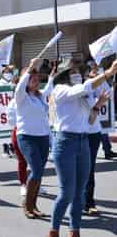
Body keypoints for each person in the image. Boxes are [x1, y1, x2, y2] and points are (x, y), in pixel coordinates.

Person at [48, 58, 117, 237]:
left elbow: (90, 121)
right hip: (65, 143)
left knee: (80, 191)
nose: (77, 74)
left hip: (83, 141)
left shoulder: (84, 94)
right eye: (72, 72)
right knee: (67, 192)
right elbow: (84, 87)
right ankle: (54, 230)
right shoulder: (60, 90)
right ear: (64, 75)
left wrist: (97, 106)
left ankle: (74, 230)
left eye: (78, 71)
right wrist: (107, 73)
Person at [15, 58, 55, 219]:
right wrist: (31, 67)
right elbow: (19, 87)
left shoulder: (39, 97)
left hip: (42, 137)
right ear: (25, 81)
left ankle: (34, 205)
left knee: (39, 173)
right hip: (26, 137)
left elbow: (49, 88)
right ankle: (27, 204)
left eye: (37, 79)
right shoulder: (21, 96)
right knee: (36, 169)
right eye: (32, 79)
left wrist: (52, 75)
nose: (36, 82)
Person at [85, 65, 110, 215]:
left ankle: (89, 202)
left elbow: (109, 93)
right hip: (79, 134)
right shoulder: (83, 91)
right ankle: (77, 200)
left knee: (90, 170)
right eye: (91, 76)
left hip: (94, 134)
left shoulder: (99, 87)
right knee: (78, 170)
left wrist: (102, 75)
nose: (94, 77)